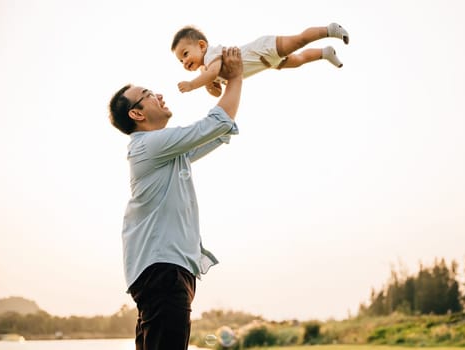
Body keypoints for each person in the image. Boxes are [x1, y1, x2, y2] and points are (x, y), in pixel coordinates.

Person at [108, 47, 243, 350]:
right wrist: (235, 78)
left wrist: (227, 81)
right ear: (137, 113)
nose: (159, 95)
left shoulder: (166, 152)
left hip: (164, 272)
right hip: (163, 273)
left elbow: (218, 133)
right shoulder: (149, 145)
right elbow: (215, 124)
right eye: (148, 94)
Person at [171, 22, 349, 97]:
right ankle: (325, 53)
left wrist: (193, 84)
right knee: (298, 61)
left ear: (201, 46)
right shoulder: (206, 69)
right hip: (267, 62)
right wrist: (210, 87)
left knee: (299, 40)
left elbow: (212, 72)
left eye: (185, 54)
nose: (184, 62)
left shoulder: (211, 55)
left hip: (262, 49)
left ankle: (330, 29)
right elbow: (218, 93)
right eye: (180, 61)